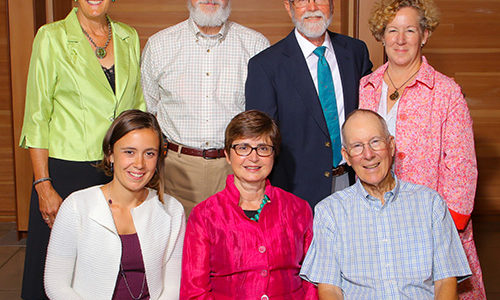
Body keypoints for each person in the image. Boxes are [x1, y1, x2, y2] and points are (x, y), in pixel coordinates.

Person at [358, 0, 485, 298]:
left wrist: (442, 231)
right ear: (381, 35)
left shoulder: (446, 91)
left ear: (424, 35)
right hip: (378, 217)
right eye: (392, 30)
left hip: (432, 225)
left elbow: (462, 167)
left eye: (410, 30)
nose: (400, 40)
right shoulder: (367, 85)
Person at [19, 0, 145, 298]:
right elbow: (37, 116)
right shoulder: (51, 36)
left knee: (105, 266)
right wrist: (43, 184)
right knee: (55, 269)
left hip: (117, 171)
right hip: (66, 173)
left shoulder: (129, 36)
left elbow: (138, 107)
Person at [300, 109, 472, 299]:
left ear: (391, 145)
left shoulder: (430, 203)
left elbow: (445, 281)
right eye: (357, 146)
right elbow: (329, 289)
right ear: (346, 156)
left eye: (375, 142)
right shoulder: (329, 212)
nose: (368, 154)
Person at [141, 0, 270, 215]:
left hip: (236, 169)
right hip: (176, 170)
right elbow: (149, 111)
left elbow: (264, 118)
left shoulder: (255, 45)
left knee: (235, 244)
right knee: (179, 245)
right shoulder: (159, 45)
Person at [44, 110, 185, 300]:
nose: (139, 164)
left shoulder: (172, 210)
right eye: (129, 152)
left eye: (149, 153)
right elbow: (55, 284)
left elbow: (173, 286)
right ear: (110, 154)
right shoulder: (76, 206)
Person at [245, 0, 372, 209]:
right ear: (288, 6)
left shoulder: (355, 52)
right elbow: (261, 140)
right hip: (296, 192)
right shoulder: (266, 66)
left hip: (353, 182)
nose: (312, 7)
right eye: (303, 0)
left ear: (332, 5)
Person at [180, 110, 317, 299]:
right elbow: (194, 292)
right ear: (228, 155)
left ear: (274, 155)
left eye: (263, 148)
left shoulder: (299, 209)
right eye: (243, 148)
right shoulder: (204, 216)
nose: (253, 157)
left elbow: (312, 281)